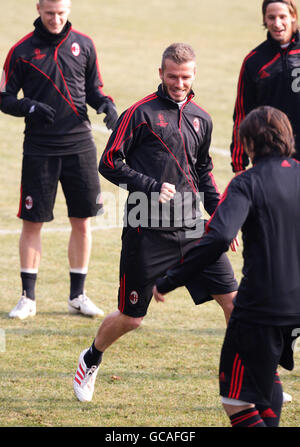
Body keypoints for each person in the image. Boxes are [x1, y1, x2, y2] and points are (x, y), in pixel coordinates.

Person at [73, 42, 238, 402]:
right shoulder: (140, 114)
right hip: (145, 230)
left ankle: (249, 378)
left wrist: (220, 215)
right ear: (160, 74)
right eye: (172, 76)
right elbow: (109, 162)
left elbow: (203, 171)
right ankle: (91, 357)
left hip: (193, 228)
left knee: (233, 300)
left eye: (185, 77)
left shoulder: (202, 118)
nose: (179, 83)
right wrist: (149, 185)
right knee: (132, 318)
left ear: (194, 75)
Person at [153, 105, 300, 427]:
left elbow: (219, 236)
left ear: (248, 144)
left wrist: (171, 279)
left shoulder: (247, 182)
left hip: (259, 308)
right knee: (264, 374)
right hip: (295, 307)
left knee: (235, 399)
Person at [0, 0, 118, 319]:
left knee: (82, 221)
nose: (56, 19)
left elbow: (94, 90)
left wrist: (107, 106)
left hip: (80, 146)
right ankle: (28, 298)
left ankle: (77, 296)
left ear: (69, 9)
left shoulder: (84, 45)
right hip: (39, 148)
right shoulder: (21, 51)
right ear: (38, 8)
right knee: (33, 221)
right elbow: (5, 97)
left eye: (61, 12)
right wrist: (30, 107)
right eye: (50, 12)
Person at [230, 0, 300, 174]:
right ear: (264, 20)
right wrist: (239, 164)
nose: (277, 23)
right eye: (271, 17)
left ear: (293, 16)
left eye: (282, 16)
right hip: (269, 155)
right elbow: (242, 114)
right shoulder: (254, 61)